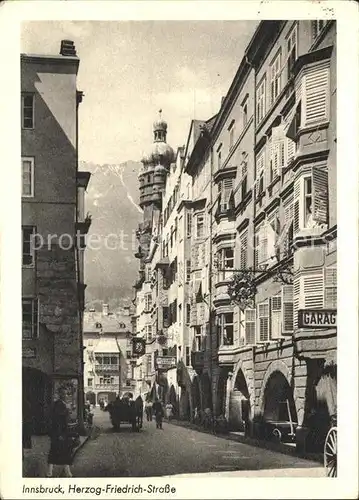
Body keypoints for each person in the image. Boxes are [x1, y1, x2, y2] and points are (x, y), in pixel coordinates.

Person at [46, 387, 76, 478]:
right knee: (59, 451)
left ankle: (62, 472)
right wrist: (59, 434)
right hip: (59, 433)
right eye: (63, 394)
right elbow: (57, 421)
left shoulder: (62, 404)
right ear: (59, 394)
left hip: (61, 432)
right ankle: (51, 472)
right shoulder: (59, 405)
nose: (65, 395)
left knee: (60, 451)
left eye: (66, 394)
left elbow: (65, 419)